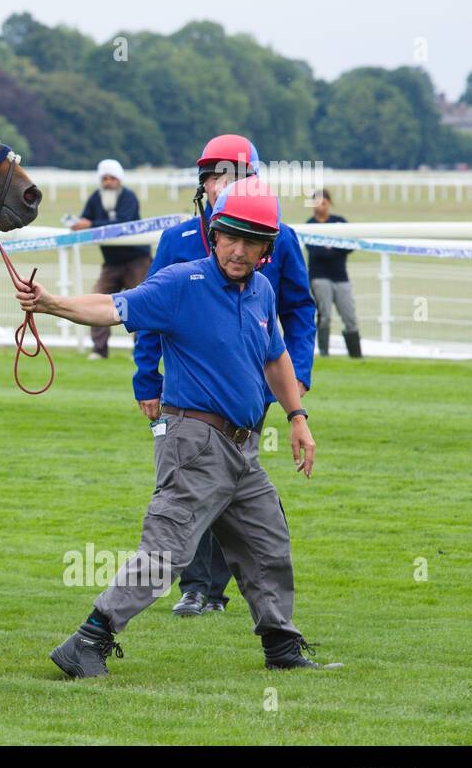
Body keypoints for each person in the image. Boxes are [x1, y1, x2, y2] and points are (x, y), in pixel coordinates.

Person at [19, 177, 341, 676]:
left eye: (250, 240)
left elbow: (276, 357)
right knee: (166, 553)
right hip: (194, 443)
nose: (237, 249)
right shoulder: (180, 283)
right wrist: (51, 303)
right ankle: (88, 640)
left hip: (244, 449)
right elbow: (113, 306)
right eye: (229, 236)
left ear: (265, 249)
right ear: (214, 235)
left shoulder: (259, 290)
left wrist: (298, 418)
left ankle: (281, 649)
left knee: (267, 544)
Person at [133, 134, 315, 616]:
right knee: (193, 486)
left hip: (259, 388)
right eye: (214, 176)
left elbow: (299, 309)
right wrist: (145, 379)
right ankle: (197, 588)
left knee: (239, 491)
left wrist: (298, 385)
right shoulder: (176, 242)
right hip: (192, 392)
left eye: (232, 176)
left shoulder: (282, 238)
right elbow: (148, 311)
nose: (220, 185)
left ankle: (243, 603)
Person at [70, 158, 151, 359]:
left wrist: (90, 225)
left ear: (119, 179)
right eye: (104, 178)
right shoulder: (96, 198)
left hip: (137, 260)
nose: (108, 182)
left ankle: (140, 350)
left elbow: (121, 225)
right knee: (97, 300)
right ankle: (99, 349)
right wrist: (78, 224)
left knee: (140, 305)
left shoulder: (129, 197)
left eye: (112, 178)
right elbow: (84, 219)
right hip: (111, 263)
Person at [306, 189, 361, 358]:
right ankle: (324, 353)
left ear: (329, 203)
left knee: (349, 316)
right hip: (319, 276)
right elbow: (314, 251)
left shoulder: (339, 222)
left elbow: (350, 245)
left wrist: (328, 250)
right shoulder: (310, 225)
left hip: (341, 277)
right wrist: (335, 249)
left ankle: (356, 355)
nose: (321, 206)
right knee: (325, 316)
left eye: (324, 202)